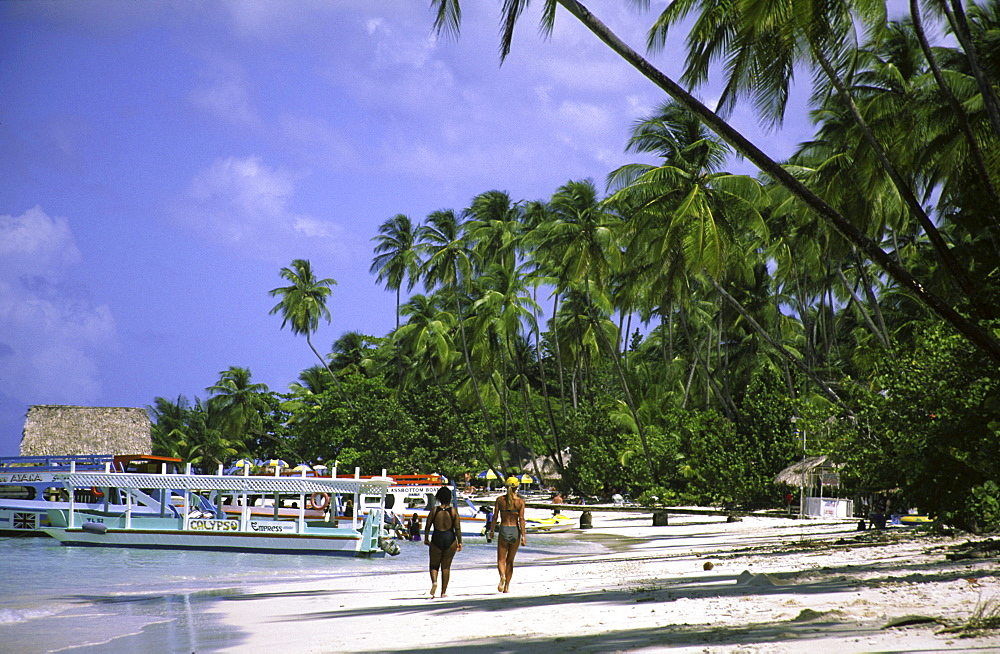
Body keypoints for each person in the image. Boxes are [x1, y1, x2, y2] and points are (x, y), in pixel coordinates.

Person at [488, 476, 526, 593]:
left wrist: (492, 530)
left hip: (504, 528)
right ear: (517, 486)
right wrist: (523, 536)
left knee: (501, 559)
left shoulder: (500, 500)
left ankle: (502, 576)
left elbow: (495, 517)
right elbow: (521, 519)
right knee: (510, 561)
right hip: (515, 530)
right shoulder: (520, 502)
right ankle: (507, 587)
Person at [424, 485, 462, 598]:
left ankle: (434, 582)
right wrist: (460, 542)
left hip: (437, 537)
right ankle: (443, 592)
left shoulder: (434, 510)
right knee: (446, 567)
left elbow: (427, 526)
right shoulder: (453, 511)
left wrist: (426, 538)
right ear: (450, 498)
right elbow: (458, 528)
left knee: (433, 565)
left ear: (439, 497)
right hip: (450, 538)